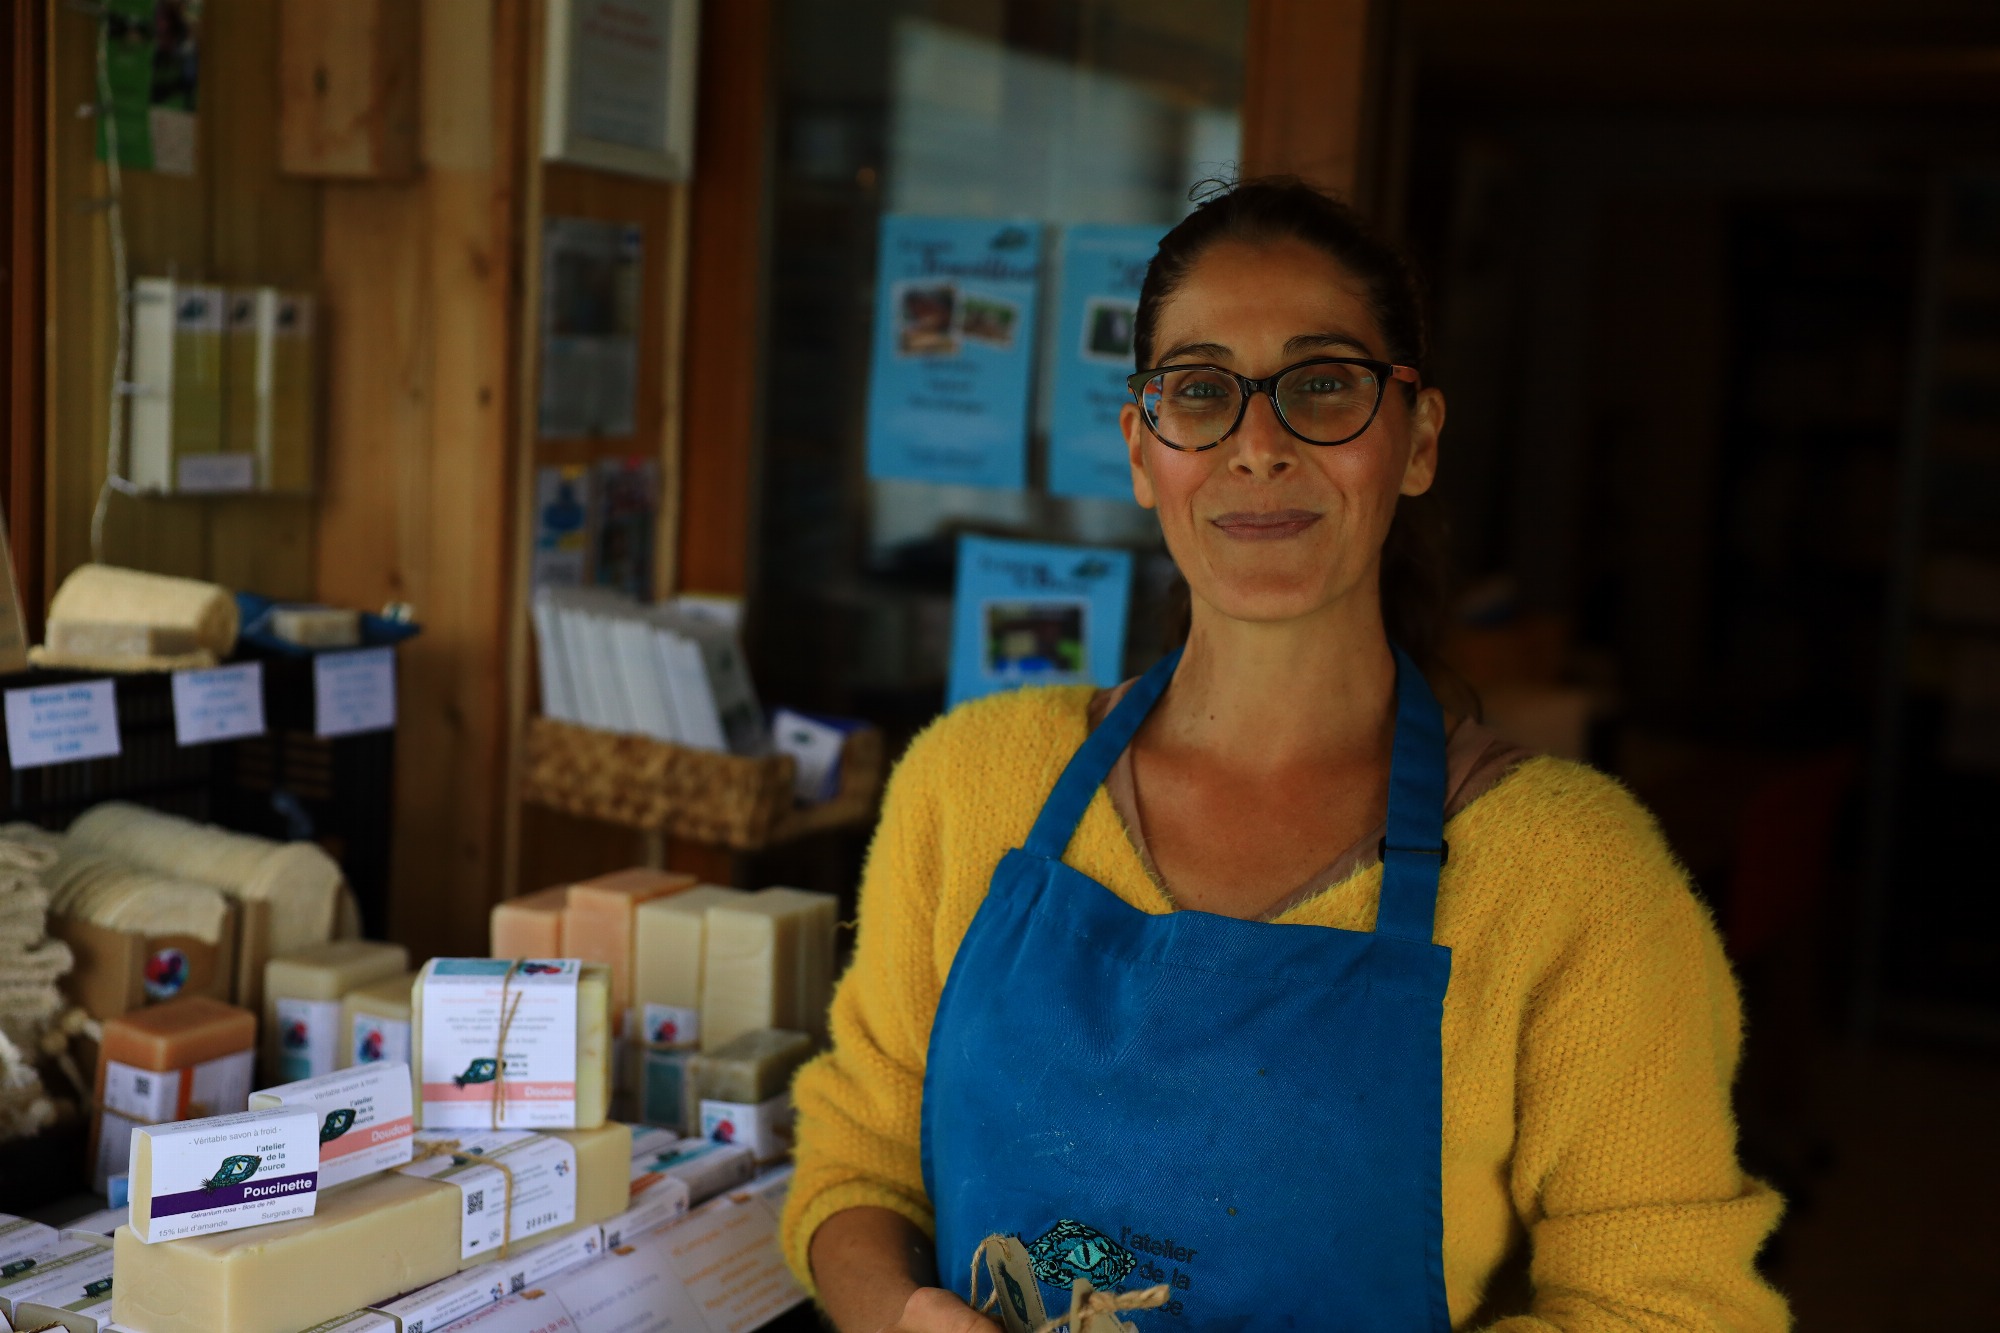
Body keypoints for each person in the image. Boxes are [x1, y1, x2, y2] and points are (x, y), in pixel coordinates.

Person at [781, 177, 1789, 1332]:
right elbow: (856, 1162)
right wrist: (902, 1315)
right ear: (1140, 449)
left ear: (1414, 442)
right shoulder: (969, 783)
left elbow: (1667, 1307)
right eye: (1200, 393)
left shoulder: (1574, 876)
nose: (1256, 445)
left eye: (1322, 386)